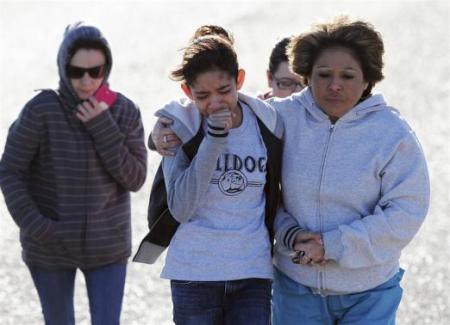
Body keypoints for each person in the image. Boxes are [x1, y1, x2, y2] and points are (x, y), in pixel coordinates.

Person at [270, 15, 430, 324]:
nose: (334, 85)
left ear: (368, 79)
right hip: (296, 288)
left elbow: (407, 211)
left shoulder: (392, 133)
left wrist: (333, 246)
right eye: (323, 74)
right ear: (306, 76)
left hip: (369, 292)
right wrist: (290, 234)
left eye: (347, 75)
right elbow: (254, 185)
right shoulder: (280, 118)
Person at [0, 22, 147, 325]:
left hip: (108, 248)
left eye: (96, 71)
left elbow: (135, 178)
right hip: (49, 248)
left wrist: (102, 127)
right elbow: (9, 171)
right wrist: (39, 227)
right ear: (63, 67)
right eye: (77, 71)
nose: (86, 81)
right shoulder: (41, 111)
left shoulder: (123, 111)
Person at [136, 32, 285, 324]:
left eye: (224, 90)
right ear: (188, 91)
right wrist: (214, 140)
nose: (216, 103)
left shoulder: (267, 121)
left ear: (239, 80)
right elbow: (180, 207)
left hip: (252, 271)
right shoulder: (179, 125)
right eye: (203, 96)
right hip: (194, 273)